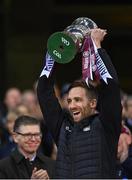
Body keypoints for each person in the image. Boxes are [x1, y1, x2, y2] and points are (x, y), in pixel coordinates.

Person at [37, 28, 122, 178]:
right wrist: (55, 51)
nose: (72, 105)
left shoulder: (106, 125)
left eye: (78, 100)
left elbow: (111, 86)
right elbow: (44, 93)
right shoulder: (62, 128)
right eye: (69, 100)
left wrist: (96, 46)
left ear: (93, 103)